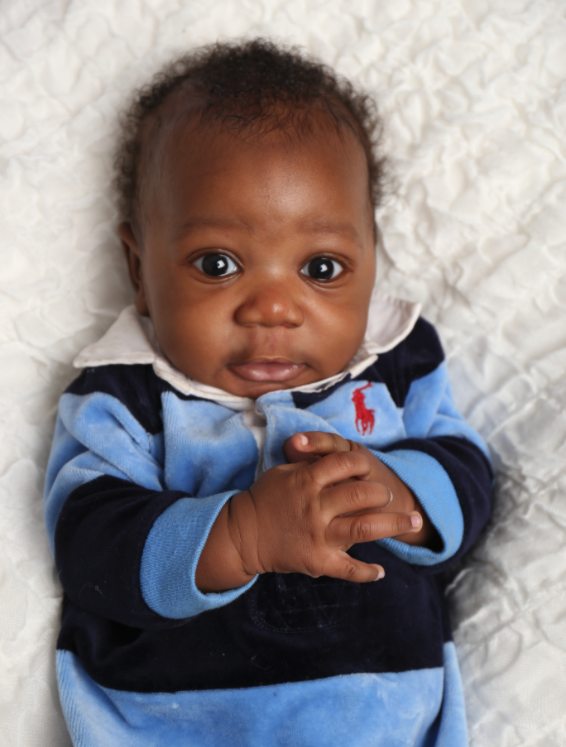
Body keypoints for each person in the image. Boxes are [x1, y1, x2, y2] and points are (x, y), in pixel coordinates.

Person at [44, 38, 493, 746]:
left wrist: (403, 497)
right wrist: (242, 534)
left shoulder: (394, 364)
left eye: (321, 266)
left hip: (384, 720)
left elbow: (468, 474)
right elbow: (91, 549)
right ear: (139, 268)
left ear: (373, 257)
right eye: (217, 264)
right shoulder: (124, 395)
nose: (273, 309)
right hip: (177, 724)